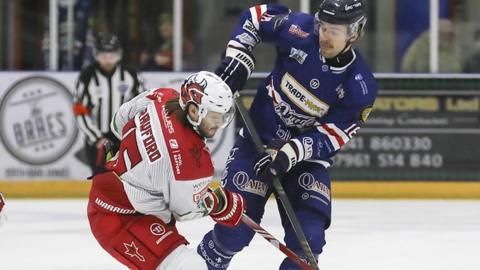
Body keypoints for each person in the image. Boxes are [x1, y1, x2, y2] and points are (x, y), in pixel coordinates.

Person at [197, 1, 377, 269]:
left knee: (308, 242)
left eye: (334, 31)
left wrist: (288, 154)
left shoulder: (359, 86)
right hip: (257, 143)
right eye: (324, 27)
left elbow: (331, 137)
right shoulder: (300, 30)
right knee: (233, 231)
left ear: (355, 34)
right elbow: (255, 18)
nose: (325, 36)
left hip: (305, 160)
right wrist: (239, 58)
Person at [87, 71, 246, 270]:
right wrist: (219, 204)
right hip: (122, 219)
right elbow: (185, 211)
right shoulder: (190, 161)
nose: (219, 124)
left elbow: (119, 121)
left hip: (117, 198)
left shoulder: (161, 96)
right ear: (194, 111)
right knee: (188, 267)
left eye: (223, 117)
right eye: (214, 117)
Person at [73, 32, 142, 174]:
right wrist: (96, 138)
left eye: (112, 55)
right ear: (96, 55)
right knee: (102, 179)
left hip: (124, 137)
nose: (108, 59)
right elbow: (80, 110)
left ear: (119, 54)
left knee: (127, 180)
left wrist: (132, 134)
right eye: (103, 55)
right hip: (98, 139)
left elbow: (141, 106)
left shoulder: (131, 75)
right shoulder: (87, 76)